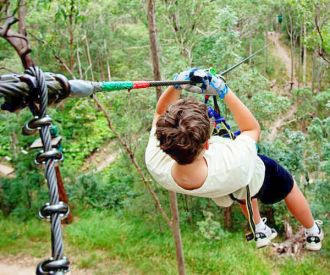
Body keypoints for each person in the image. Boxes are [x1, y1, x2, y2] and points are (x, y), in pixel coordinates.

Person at [145, 68, 324, 250]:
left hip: (223, 189)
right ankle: (313, 231)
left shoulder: (156, 162)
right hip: (251, 176)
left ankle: (259, 228)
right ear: (207, 144)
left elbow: (160, 113)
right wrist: (223, 90)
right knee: (288, 186)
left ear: (164, 143)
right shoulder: (233, 160)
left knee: (241, 190)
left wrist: (176, 85)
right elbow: (252, 129)